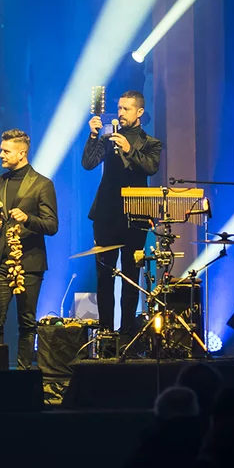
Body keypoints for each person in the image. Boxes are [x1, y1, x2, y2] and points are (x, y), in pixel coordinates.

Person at [81, 90, 162, 336]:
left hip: (135, 217)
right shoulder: (109, 139)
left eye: (126, 109)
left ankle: (128, 333)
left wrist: (129, 149)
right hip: (106, 215)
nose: (121, 113)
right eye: (119, 108)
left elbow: (150, 167)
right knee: (104, 277)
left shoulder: (151, 143)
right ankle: (106, 333)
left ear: (139, 112)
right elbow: (88, 164)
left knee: (130, 277)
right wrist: (93, 135)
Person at [0, 129, 59, 370]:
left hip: (29, 262)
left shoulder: (42, 184)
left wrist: (28, 219)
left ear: (22, 153)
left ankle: (24, 374)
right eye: (1, 150)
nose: (1, 155)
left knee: (27, 323)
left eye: (6, 151)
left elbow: (52, 225)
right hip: (0, 261)